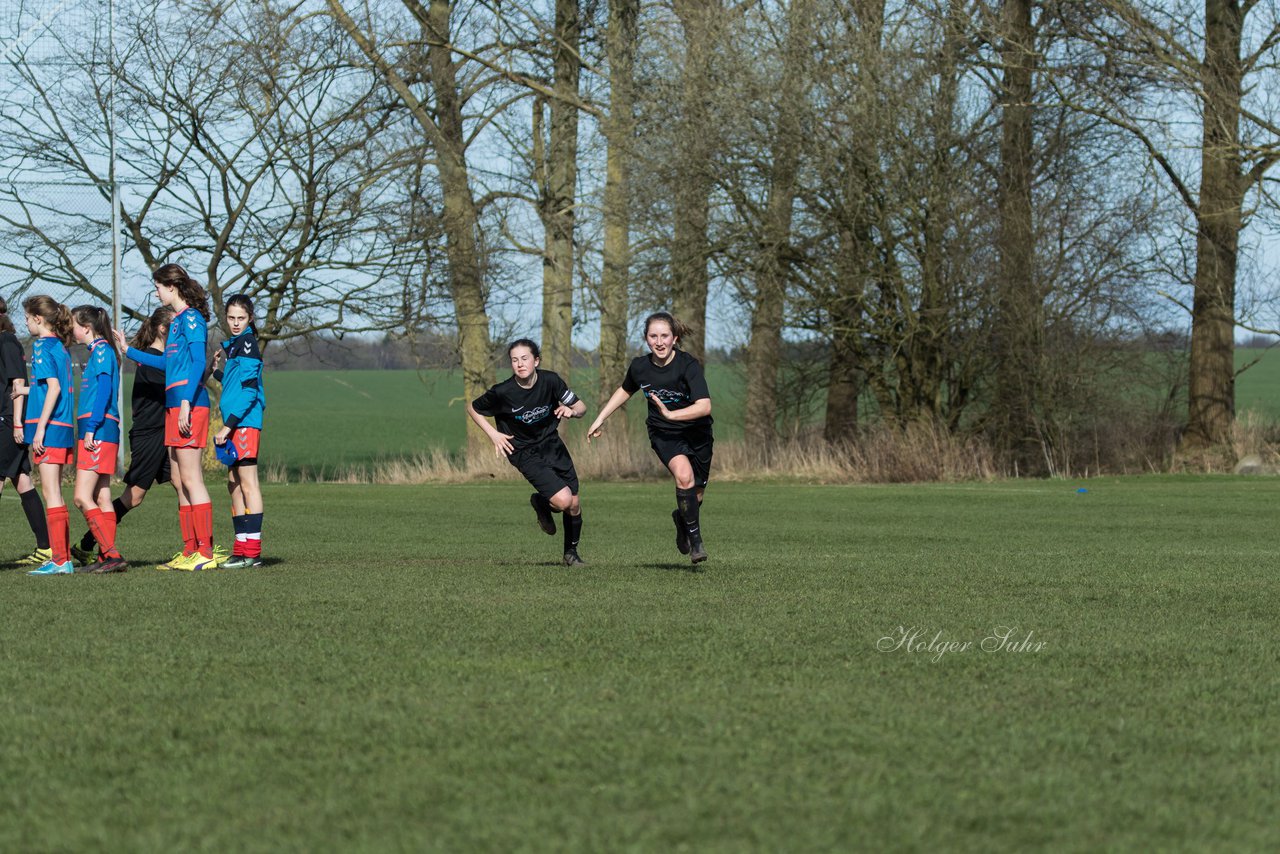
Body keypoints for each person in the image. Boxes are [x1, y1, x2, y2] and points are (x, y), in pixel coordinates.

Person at [114, 263, 220, 571]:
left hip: (189, 406)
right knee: (177, 478)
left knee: (190, 478)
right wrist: (128, 351)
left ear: (171, 287)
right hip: (175, 407)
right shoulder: (176, 324)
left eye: (158, 286)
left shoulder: (192, 319)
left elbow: (198, 360)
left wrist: (186, 401)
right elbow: (168, 366)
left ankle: (206, 552)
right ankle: (190, 550)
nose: (156, 291)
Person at [587, 312, 713, 566]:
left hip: (698, 434)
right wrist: (600, 418)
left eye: (664, 336)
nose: (659, 341)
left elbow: (704, 406)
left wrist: (671, 413)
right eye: (653, 336)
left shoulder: (688, 365)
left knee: (695, 495)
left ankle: (681, 519)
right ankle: (696, 544)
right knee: (684, 476)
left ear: (674, 338)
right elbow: (625, 390)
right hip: (664, 433)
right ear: (646, 339)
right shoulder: (640, 367)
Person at [71, 307, 188, 566]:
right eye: (176, 329)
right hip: (150, 434)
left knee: (183, 484)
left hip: (160, 432)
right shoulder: (150, 358)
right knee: (133, 497)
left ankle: (195, 548)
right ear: (162, 329)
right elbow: (176, 372)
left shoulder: (114, 354)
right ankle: (94, 546)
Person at [466, 339, 588, 566]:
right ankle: (542, 503)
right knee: (563, 501)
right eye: (514, 360)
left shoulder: (551, 381)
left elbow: (582, 407)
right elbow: (473, 408)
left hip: (553, 445)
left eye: (525, 358)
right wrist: (493, 434)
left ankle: (571, 554)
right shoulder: (503, 392)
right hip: (523, 451)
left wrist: (572, 411)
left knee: (574, 503)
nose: (520, 364)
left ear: (536, 361)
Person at [67, 305, 128, 573]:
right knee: (102, 497)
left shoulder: (102, 352)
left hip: (99, 430)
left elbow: (104, 392)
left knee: (81, 497)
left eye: (73, 324)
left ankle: (111, 554)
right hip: (103, 430)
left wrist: (91, 427)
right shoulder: (99, 353)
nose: (71, 329)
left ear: (86, 327)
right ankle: (107, 557)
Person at [20, 296, 77, 575]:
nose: (26, 323)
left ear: (38, 319)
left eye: (28, 318)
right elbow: (52, 387)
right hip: (62, 426)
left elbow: (53, 388)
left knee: (51, 492)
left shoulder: (42, 346)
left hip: (50, 427)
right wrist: (26, 391)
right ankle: (61, 558)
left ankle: (60, 560)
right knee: (54, 492)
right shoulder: (59, 347)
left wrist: (40, 428)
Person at [210, 294, 266, 568]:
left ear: (250, 319)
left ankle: (252, 553)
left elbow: (248, 392)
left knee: (247, 483)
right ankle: (240, 548)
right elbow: (235, 383)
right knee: (233, 484)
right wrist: (216, 373)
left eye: (240, 318)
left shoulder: (246, 344)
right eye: (231, 317)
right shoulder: (236, 345)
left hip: (243, 423)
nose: (234, 322)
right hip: (235, 422)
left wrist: (227, 426)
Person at [0, 297, 51, 566]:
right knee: (23, 482)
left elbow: (18, 382)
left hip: (8, 422)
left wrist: (17, 422)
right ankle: (46, 548)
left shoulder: (7, 341)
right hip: (8, 422)